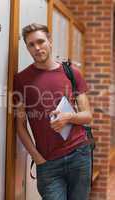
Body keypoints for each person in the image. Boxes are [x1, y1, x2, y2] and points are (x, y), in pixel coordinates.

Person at [14, 23, 92, 200]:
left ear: (50, 41)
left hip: (79, 155)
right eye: (31, 45)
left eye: (41, 41)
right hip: (48, 163)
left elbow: (87, 115)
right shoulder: (21, 80)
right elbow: (20, 125)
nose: (37, 47)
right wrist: (38, 159)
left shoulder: (72, 73)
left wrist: (68, 117)